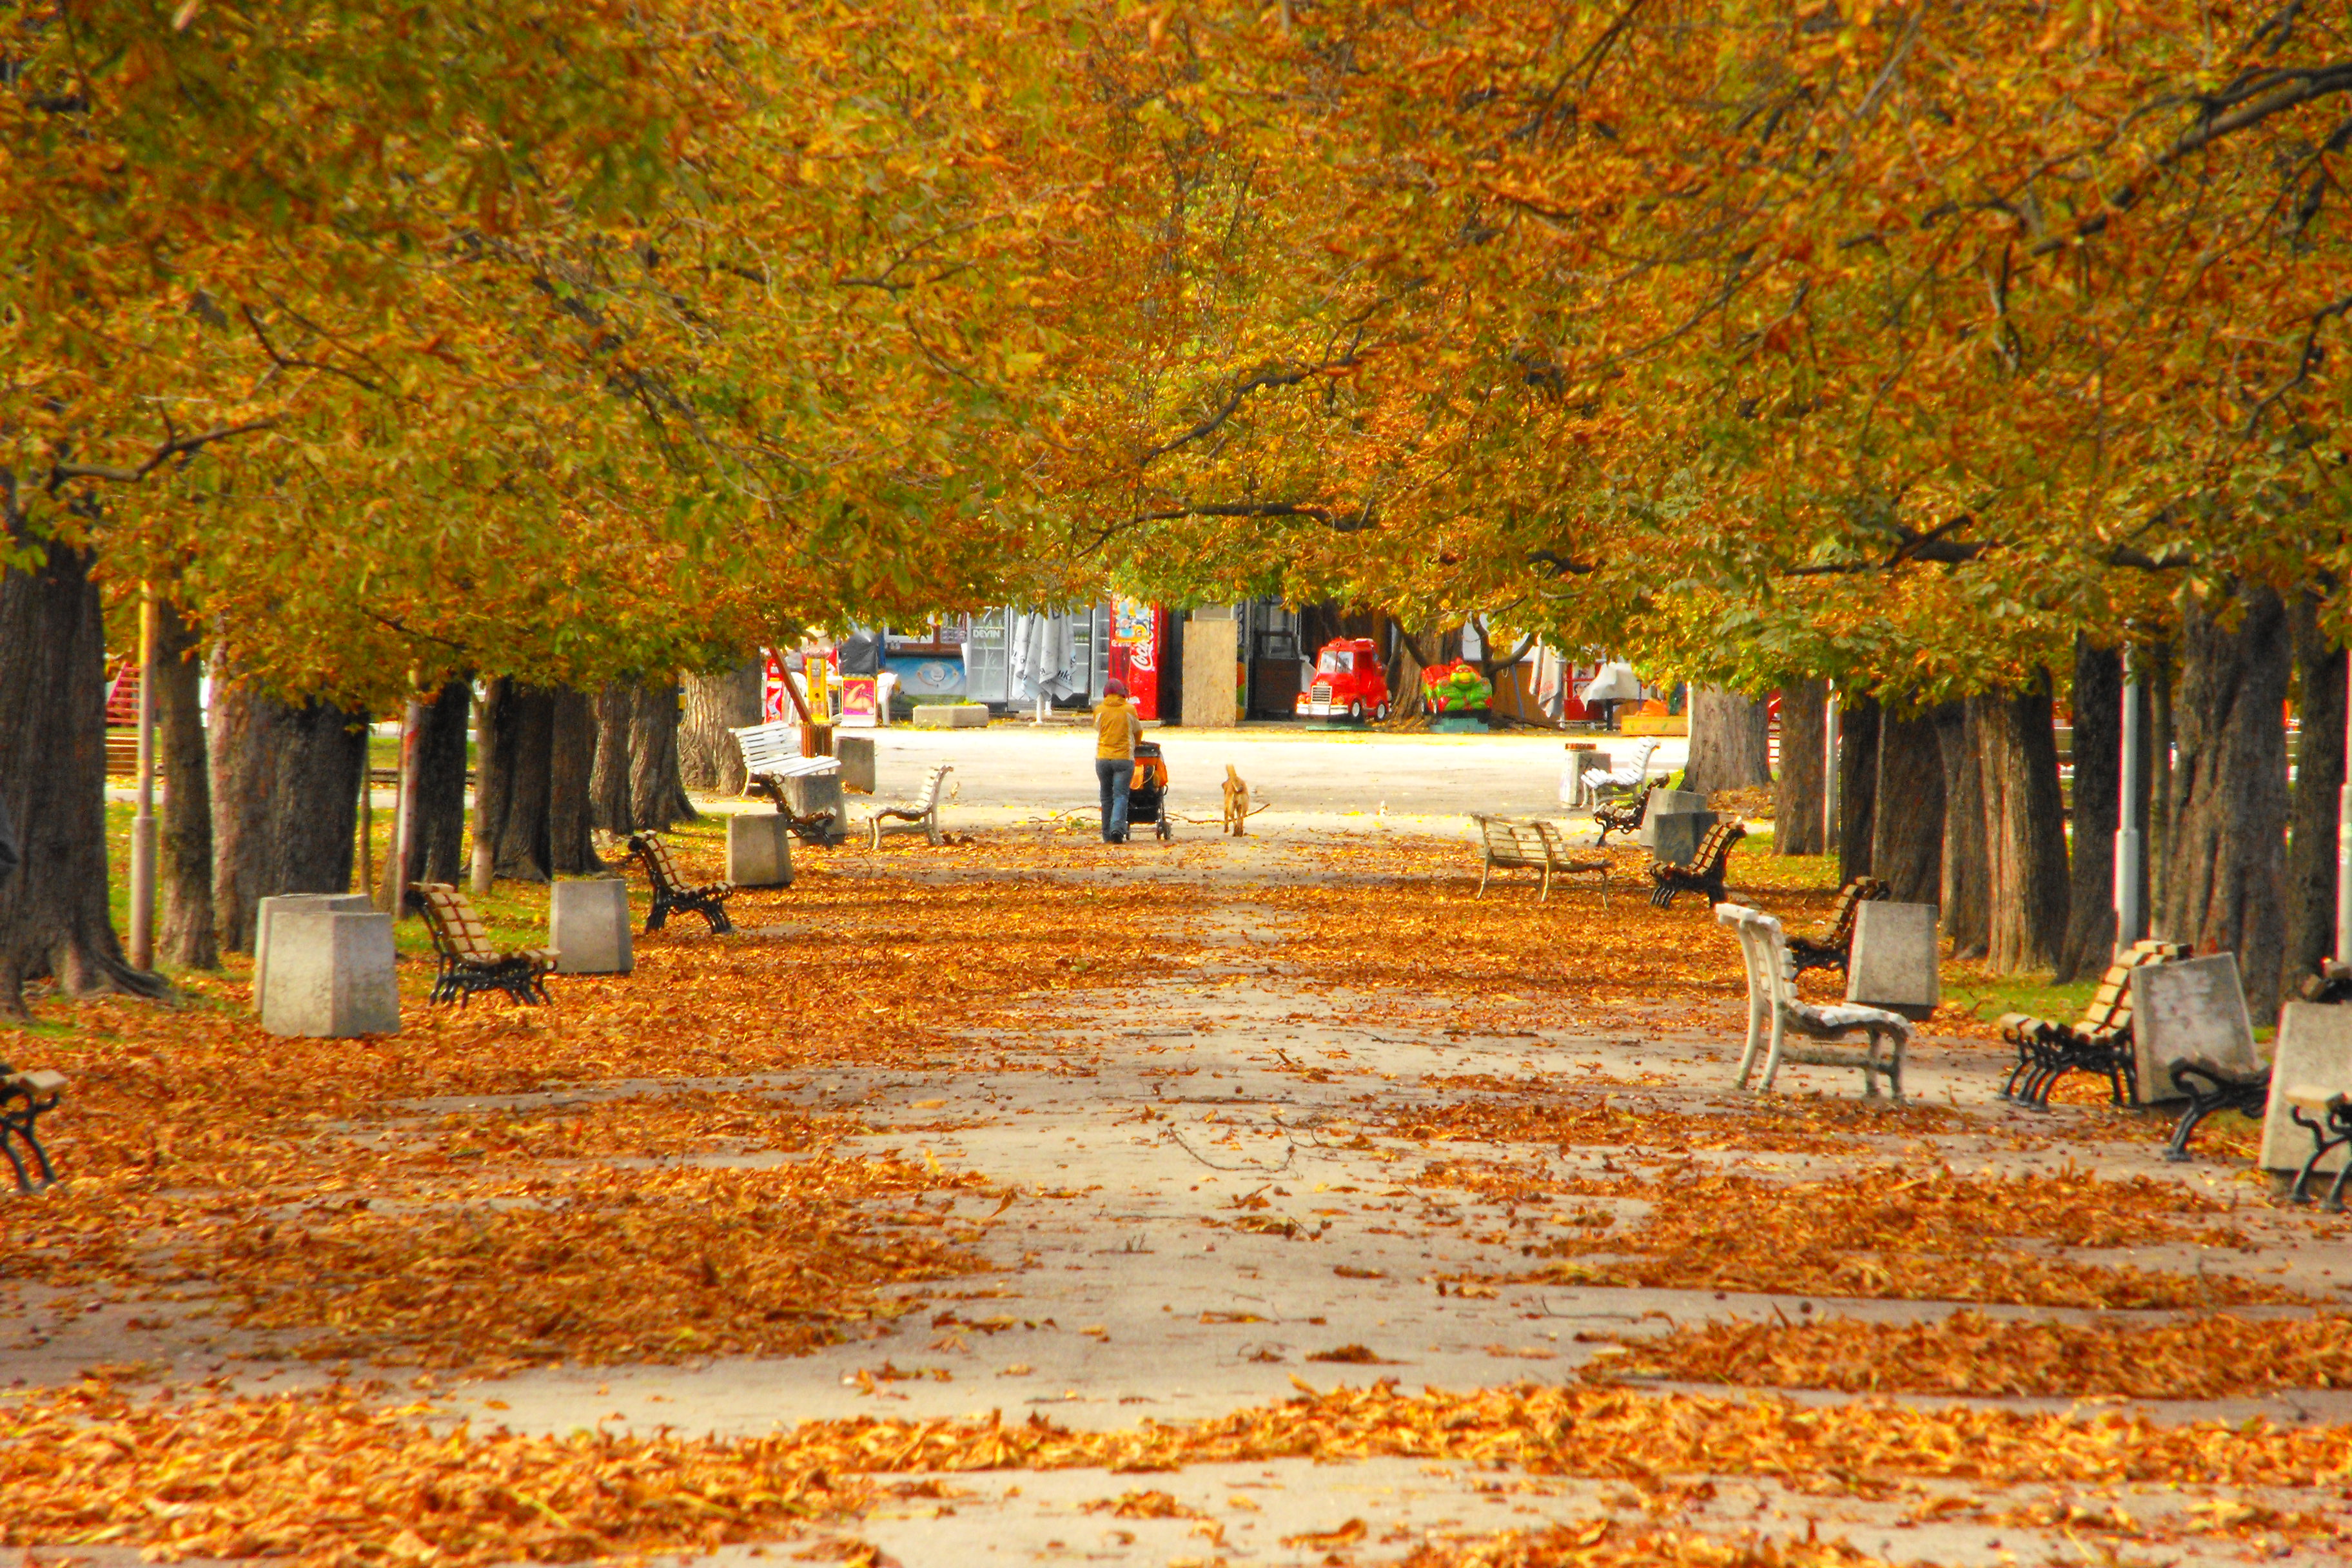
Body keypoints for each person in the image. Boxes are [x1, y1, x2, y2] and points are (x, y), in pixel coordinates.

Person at [1094, 678, 1142, 843]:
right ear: (1123, 694)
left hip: (1102, 758)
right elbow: (1138, 731)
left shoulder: (1099, 710)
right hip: (1123, 759)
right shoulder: (1130, 710)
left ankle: (1106, 835)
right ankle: (1117, 830)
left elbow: (1098, 729)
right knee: (1121, 795)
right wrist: (1136, 744)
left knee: (1105, 796)